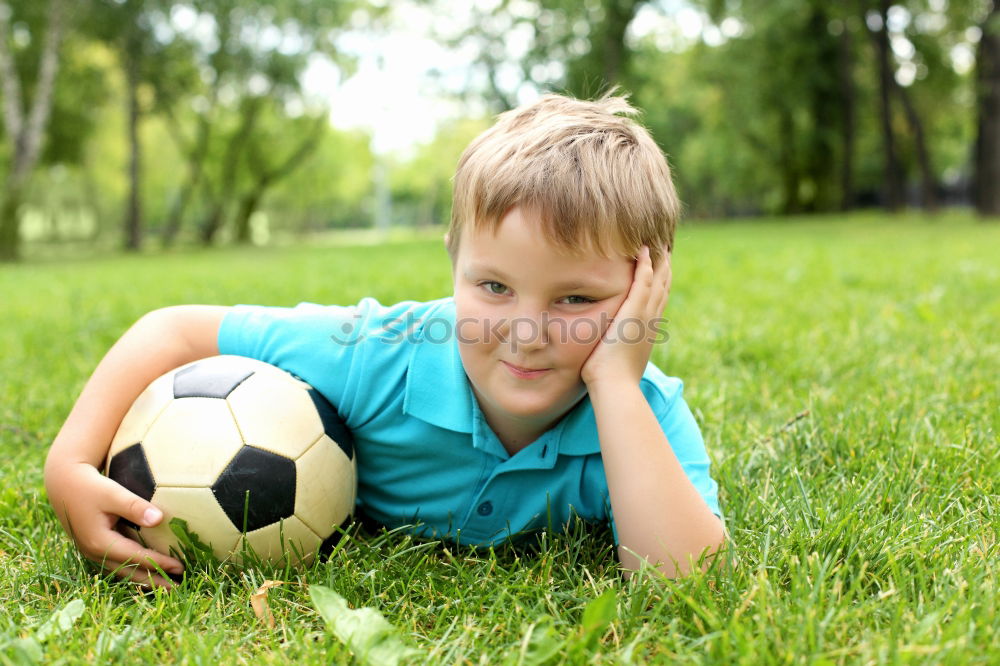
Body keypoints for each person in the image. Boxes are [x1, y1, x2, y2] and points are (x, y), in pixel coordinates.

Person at [44, 92, 725, 589]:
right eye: (492, 287)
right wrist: (69, 465)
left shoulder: (644, 415)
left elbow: (685, 582)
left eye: (575, 299)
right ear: (454, 264)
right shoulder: (375, 353)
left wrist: (612, 383)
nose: (525, 332)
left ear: (646, 288)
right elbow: (172, 329)